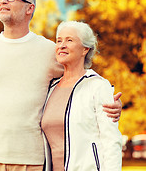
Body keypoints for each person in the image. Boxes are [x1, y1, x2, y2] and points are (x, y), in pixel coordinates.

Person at [0, 0, 122, 171]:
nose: (3, 1)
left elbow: (79, 79)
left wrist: (109, 104)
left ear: (30, 8)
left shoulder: (49, 51)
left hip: (33, 161)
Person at [41, 21, 122, 171]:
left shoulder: (98, 86)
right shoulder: (50, 88)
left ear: (85, 48)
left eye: (69, 40)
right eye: (59, 40)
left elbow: (111, 141)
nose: (62, 45)